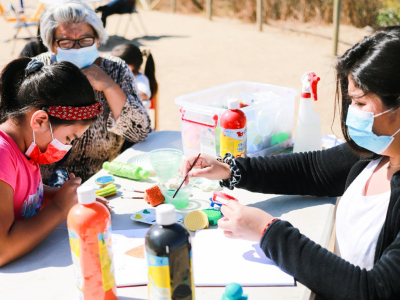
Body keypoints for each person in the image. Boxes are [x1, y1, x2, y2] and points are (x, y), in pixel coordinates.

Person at [181, 29, 400, 299]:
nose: (352, 112)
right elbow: (314, 170)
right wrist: (230, 169)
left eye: (360, 102)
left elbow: (375, 290)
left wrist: (268, 232)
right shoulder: (378, 152)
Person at [0, 58, 108, 267]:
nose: (68, 147)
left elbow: (21, 194)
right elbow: (2, 250)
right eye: (69, 139)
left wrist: (60, 196)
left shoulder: (25, 148)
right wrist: (59, 208)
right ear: (40, 121)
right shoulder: (3, 155)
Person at [36, 1, 151, 184]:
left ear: (97, 40)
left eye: (85, 40)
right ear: (53, 45)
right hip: (46, 186)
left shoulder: (116, 69)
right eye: (66, 41)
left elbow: (140, 132)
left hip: (105, 178)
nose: (77, 48)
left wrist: (109, 85)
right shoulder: (40, 70)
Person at [111, 43, 158, 109]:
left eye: (116, 64)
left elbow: (144, 95)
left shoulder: (140, 79)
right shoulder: (117, 76)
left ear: (130, 66)